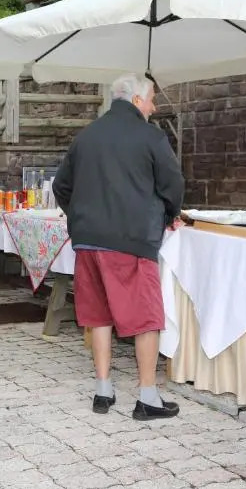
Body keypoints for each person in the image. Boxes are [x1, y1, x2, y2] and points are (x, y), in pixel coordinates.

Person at [53, 73, 184, 421]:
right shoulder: (151, 136)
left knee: (98, 315)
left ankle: (103, 389)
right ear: (137, 100)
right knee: (146, 318)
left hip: (88, 240)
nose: (154, 107)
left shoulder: (86, 136)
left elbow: (61, 186)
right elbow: (173, 185)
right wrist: (169, 214)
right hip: (131, 239)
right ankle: (147, 397)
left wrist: (81, 215)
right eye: (152, 99)